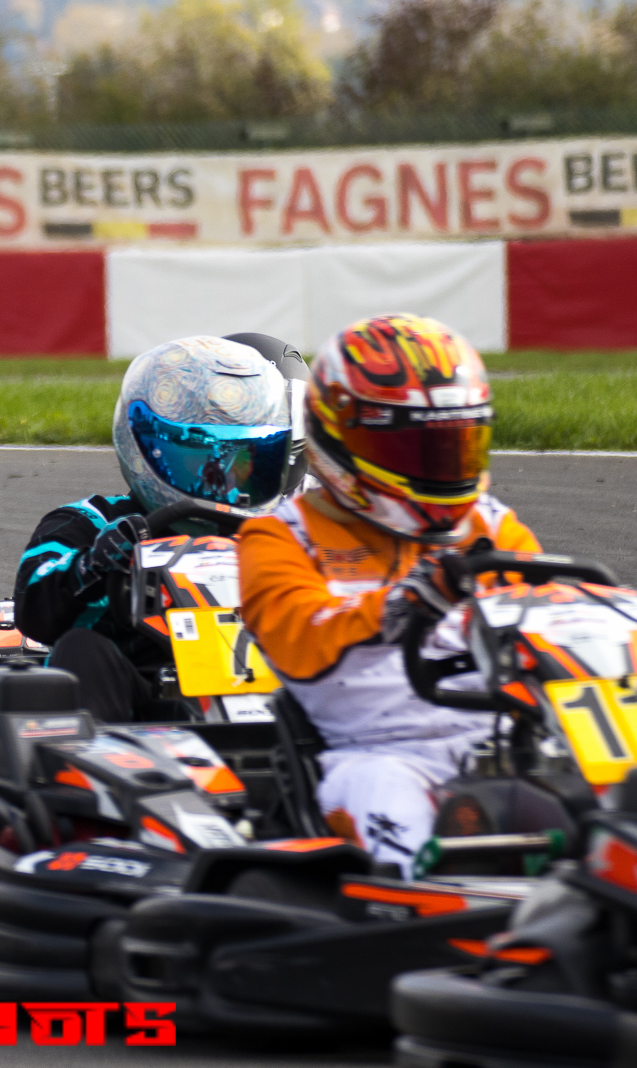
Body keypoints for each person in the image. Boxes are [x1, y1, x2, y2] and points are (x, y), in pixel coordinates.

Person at [236, 313, 540, 873]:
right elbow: (301, 640)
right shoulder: (280, 537)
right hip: (380, 753)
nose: (442, 467)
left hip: (508, 736)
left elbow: (547, 619)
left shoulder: (491, 527)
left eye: (455, 445)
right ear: (344, 439)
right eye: (418, 450)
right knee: (394, 808)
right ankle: (428, 904)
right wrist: (411, 601)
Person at [13, 333, 310, 724]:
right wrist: (95, 566)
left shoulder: (286, 534)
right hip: (144, 713)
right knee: (80, 648)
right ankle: (84, 756)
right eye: (199, 460)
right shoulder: (92, 522)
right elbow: (34, 607)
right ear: (144, 448)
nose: (221, 481)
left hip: (277, 704)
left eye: (242, 461)